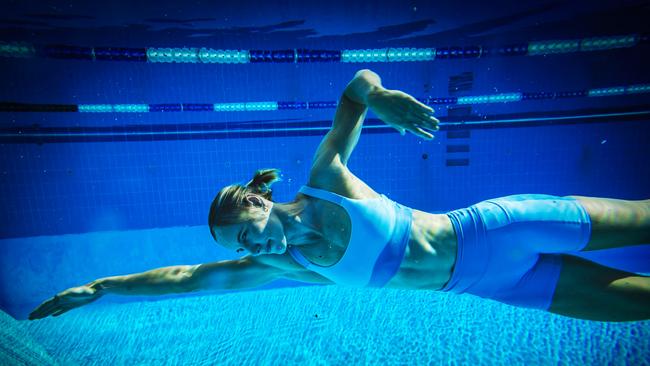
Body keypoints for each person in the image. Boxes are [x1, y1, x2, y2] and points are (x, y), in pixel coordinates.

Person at [30, 69, 649, 322]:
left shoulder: (325, 180)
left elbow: (355, 88)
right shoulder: (281, 264)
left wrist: (379, 100)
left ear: (257, 203)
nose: (249, 248)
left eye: (244, 232)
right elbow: (189, 276)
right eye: (239, 247)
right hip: (494, 285)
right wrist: (101, 287)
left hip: (499, 229)